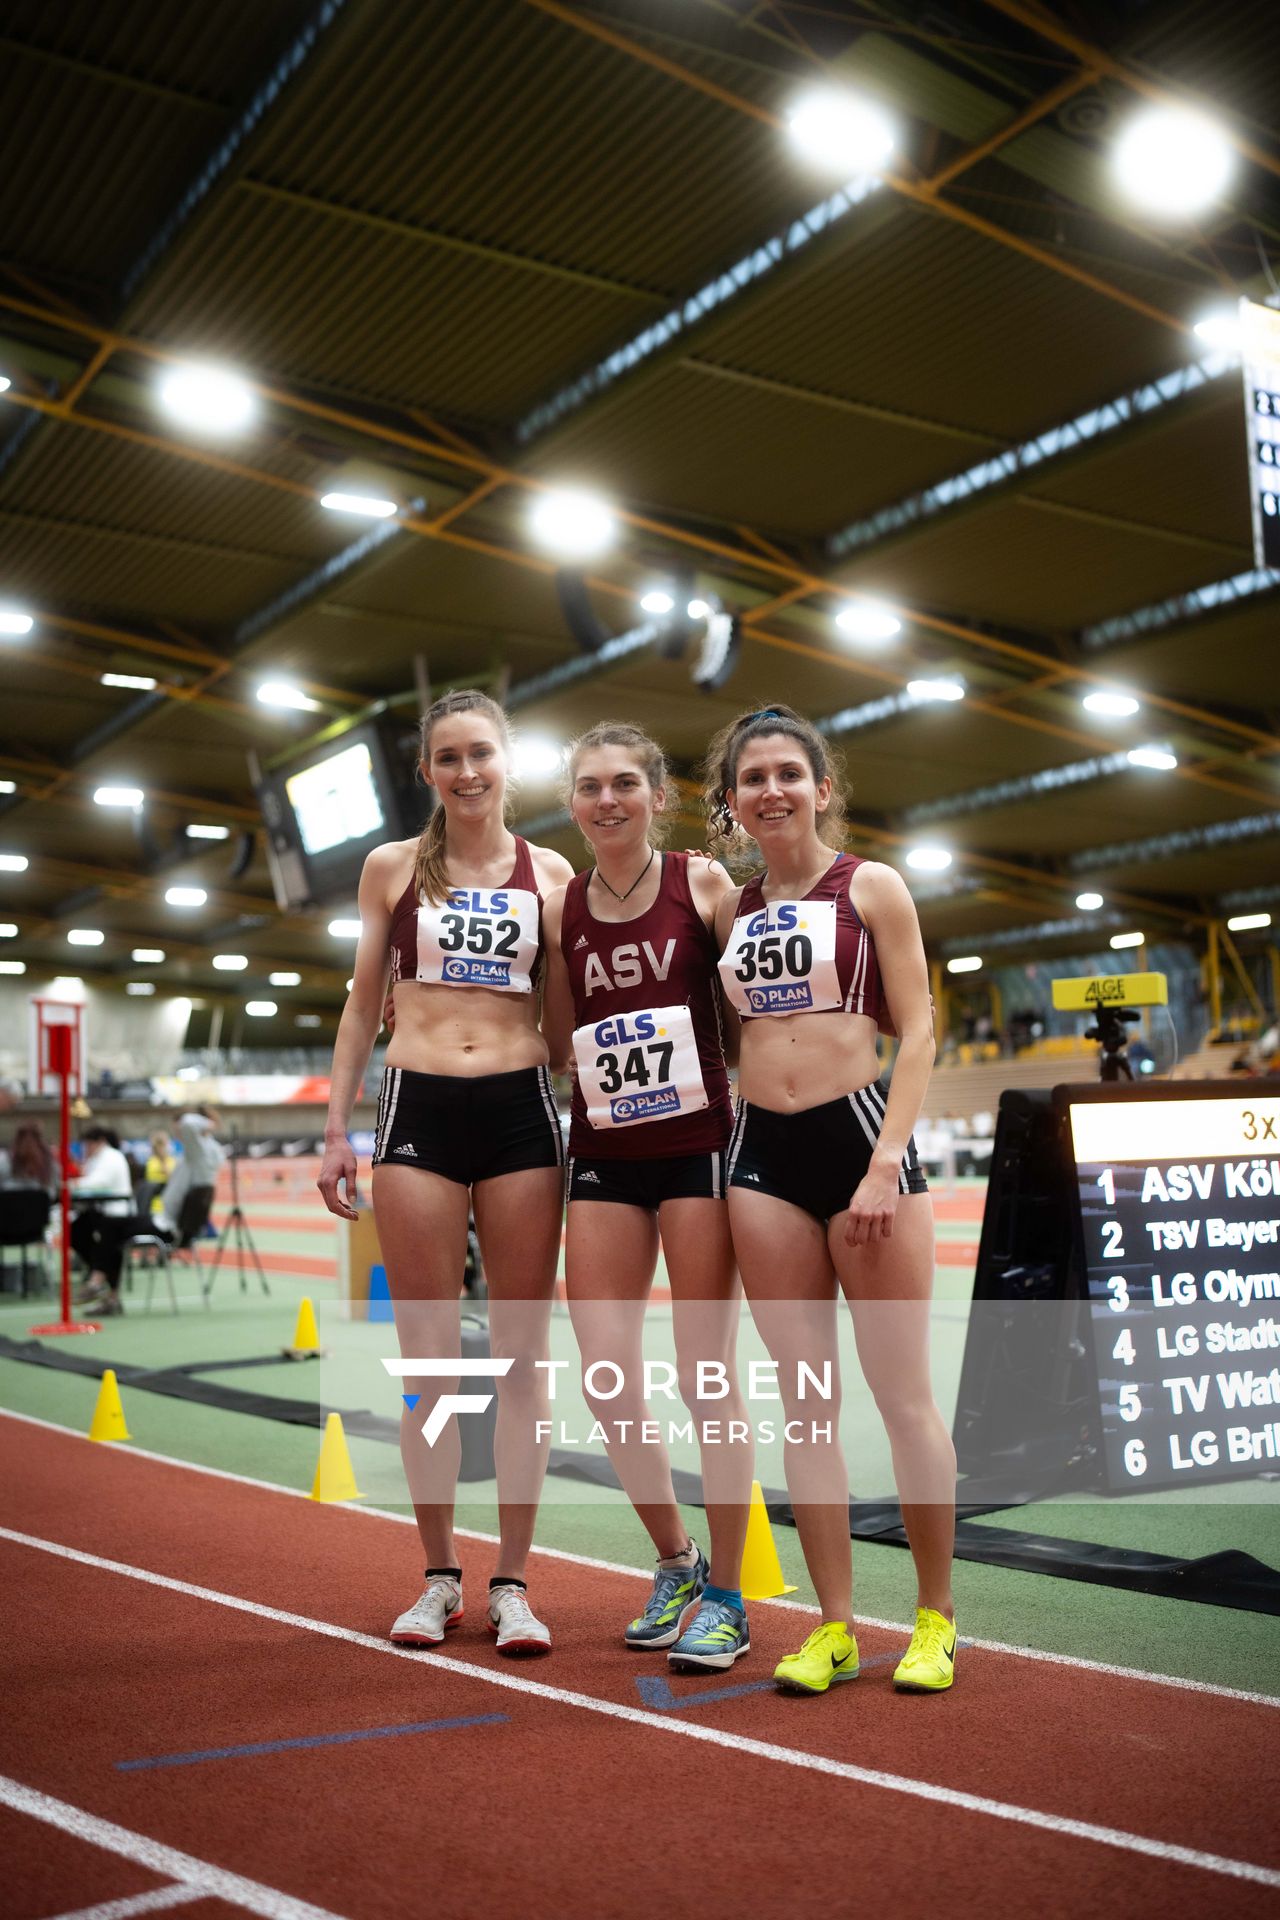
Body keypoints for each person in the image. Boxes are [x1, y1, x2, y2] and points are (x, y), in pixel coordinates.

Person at [704, 703, 957, 1697]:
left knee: (902, 1403)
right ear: (730, 801)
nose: (769, 790)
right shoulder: (734, 907)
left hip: (861, 1147)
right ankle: (836, 1626)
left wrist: (885, 1163)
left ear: (819, 786)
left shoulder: (873, 888)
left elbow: (919, 1028)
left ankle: (933, 1619)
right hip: (760, 1158)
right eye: (750, 777)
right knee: (806, 1409)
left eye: (785, 773)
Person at [318, 688, 573, 1656]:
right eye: (448, 758)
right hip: (417, 1105)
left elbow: (561, 1028)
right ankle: (435, 1577)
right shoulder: (390, 869)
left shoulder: (550, 873)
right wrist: (337, 1131)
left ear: (508, 762)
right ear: (426, 772)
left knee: (517, 1362)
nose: (467, 773)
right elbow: (357, 1010)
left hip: (516, 1113)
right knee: (428, 1362)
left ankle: (511, 1580)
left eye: (482, 755)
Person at [540, 723, 753, 1672]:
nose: (608, 800)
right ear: (573, 803)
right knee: (604, 1367)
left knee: (707, 1371)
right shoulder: (559, 907)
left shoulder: (702, 884)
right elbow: (553, 1035)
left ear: (656, 798)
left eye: (626, 783)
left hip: (698, 1147)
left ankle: (730, 1597)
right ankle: (676, 1557)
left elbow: (756, 1012)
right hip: (602, 1152)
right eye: (590, 787)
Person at [70, 1125, 145, 1314]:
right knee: (78, 1228)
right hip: (103, 1212)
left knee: (108, 1236)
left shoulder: (111, 1157)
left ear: (99, 1142)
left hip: (118, 1213)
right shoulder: (96, 1158)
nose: (86, 1149)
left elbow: (98, 1182)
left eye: (88, 1144)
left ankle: (98, 1281)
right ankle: (100, 1279)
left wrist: (72, 1184)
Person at [5, 1121, 58, 1193]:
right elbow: (53, 1191)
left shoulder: (4, 1161)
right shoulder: (49, 1162)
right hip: (42, 1202)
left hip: (9, 1202)